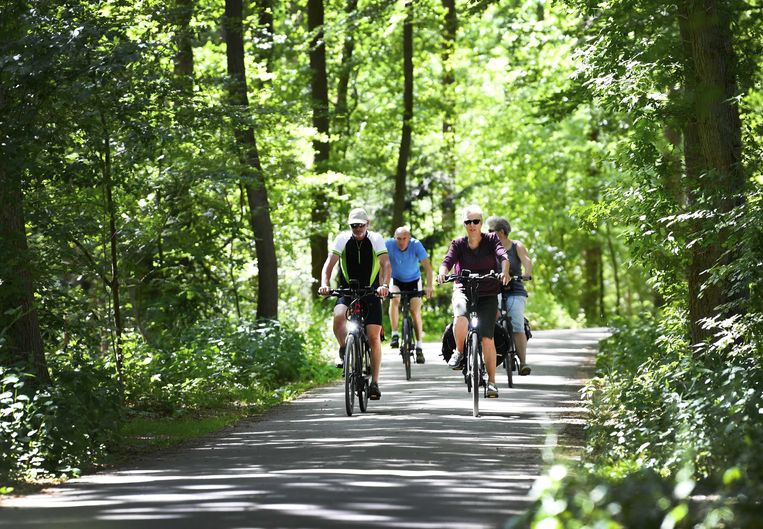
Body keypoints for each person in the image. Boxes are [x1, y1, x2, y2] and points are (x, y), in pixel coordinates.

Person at [436, 205, 509, 398]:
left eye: (476, 221)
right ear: (464, 224)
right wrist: (442, 274)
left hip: (488, 292)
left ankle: (492, 383)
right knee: (460, 316)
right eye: (468, 222)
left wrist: (505, 272)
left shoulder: (492, 239)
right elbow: (447, 262)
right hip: (463, 290)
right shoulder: (458, 243)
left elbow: (503, 256)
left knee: (487, 337)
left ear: (481, 223)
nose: (472, 225)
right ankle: (459, 352)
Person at [318, 208, 390, 400]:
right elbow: (329, 264)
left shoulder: (375, 238)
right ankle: (344, 348)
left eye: (361, 225)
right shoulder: (342, 239)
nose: (358, 228)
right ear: (349, 225)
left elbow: (385, 263)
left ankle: (374, 383)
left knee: (373, 337)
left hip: (371, 290)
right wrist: (325, 284)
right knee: (339, 315)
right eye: (354, 225)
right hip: (347, 289)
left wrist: (384, 285)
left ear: (368, 224)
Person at [485, 215, 533, 375]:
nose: (488, 233)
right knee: (494, 318)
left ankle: (523, 362)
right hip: (494, 288)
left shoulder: (516, 246)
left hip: (515, 288)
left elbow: (526, 260)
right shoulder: (488, 247)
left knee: (517, 323)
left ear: (501, 232)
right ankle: (501, 348)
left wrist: (527, 273)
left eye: (491, 231)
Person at [386, 227, 434, 364]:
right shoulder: (388, 244)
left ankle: (419, 346)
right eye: (398, 239)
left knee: (415, 311)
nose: (401, 242)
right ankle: (395, 334)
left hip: (414, 281)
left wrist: (429, 286)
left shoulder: (416, 245)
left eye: (404, 238)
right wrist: (381, 286)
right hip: (396, 279)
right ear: (394, 238)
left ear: (409, 238)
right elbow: (381, 265)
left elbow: (428, 268)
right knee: (395, 299)